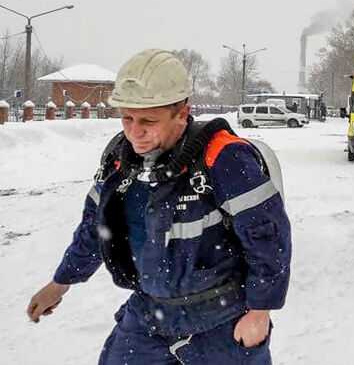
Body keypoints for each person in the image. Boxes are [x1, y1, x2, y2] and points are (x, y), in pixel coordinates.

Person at [26, 49, 292, 364]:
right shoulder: (119, 160)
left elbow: (269, 238)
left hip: (221, 321)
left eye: (148, 121)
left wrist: (260, 311)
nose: (134, 132)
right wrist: (61, 283)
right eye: (127, 118)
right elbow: (95, 228)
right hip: (148, 315)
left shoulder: (224, 158)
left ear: (182, 114)